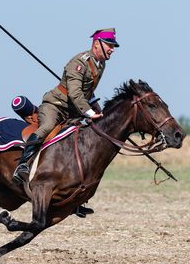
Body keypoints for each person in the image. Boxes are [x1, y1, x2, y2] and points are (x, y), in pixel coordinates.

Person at [13, 28, 119, 184]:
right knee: (47, 126)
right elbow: (75, 92)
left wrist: (96, 107)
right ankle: (22, 165)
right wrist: (88, 112)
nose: (112, 50)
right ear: (97, 44)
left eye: (113, 46)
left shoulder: (101, 64)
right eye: (109, 45)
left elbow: (88, 91)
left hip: (74, 112)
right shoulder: (79, 63)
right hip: (55, 106)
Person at [11, 95, 96, 218]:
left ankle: (76, 201)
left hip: (60, 111)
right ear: (30, 117)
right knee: (45, 129)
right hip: (50, 113)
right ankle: (23, 165)